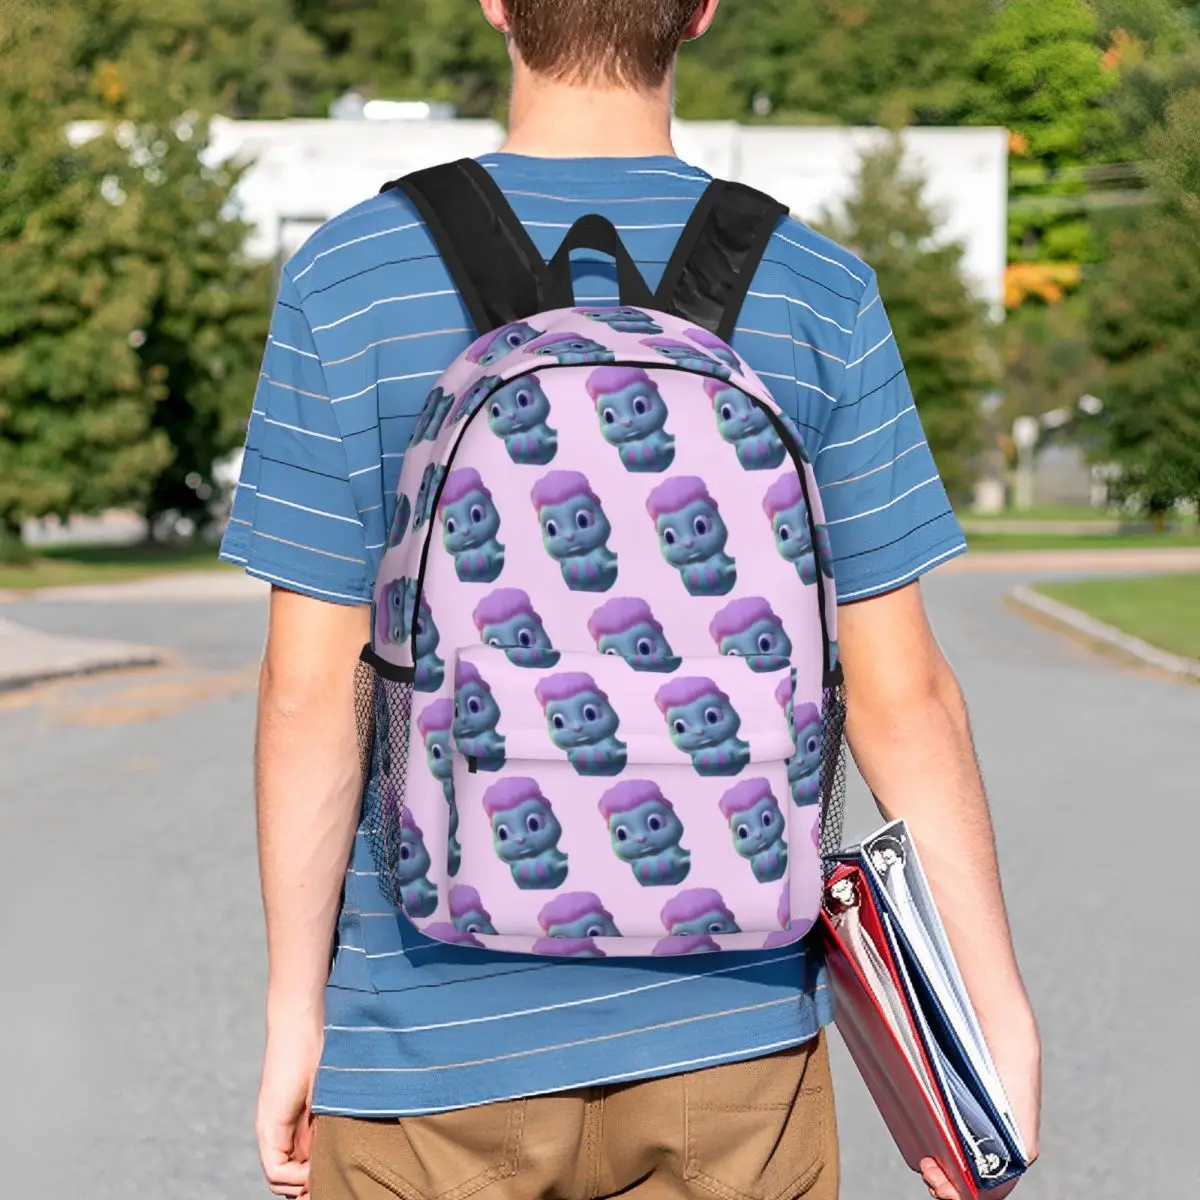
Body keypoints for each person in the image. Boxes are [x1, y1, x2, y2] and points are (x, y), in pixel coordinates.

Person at [221, 2, 1041, 1197]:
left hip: (426, 1042)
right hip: (735, 1042)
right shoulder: (818, 289)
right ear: (701, 10)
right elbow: (902, 694)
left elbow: (309, 690)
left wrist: (299, 1011)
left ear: (497, 2)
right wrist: (987, 1013)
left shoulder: (351, 279)